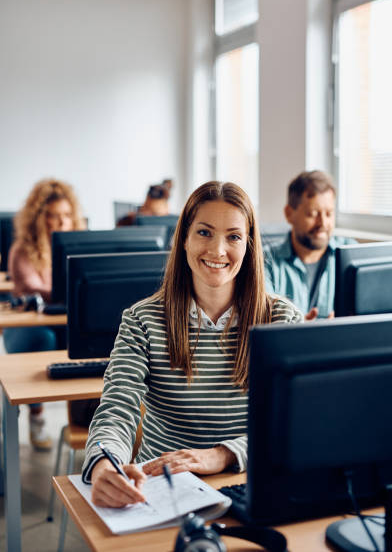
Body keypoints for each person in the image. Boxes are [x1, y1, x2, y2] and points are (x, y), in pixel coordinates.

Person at [82, 181, 303, 507]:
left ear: (249, 246)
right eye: (204, 232)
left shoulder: (282, 320)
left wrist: (222, 455)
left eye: (233, 236)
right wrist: (104, 464)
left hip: (249, 484)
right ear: (183, 238)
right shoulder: (141, 320)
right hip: (160, 489)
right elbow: (117, 410)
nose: (217, 250)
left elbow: (292, 425)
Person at [4, 178, 84, 450]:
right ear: (39, 218)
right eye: (53, 216)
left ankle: (86, 418)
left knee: (85, 342)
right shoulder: (22, 250)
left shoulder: (81, 248)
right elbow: (33, 289)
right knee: (45, 338)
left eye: (66, 215)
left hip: (66, 321)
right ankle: (36, 415)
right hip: (28, 328)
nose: (61, 223)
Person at [264, 170, 356, 320]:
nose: (323, 223)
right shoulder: (266, 261)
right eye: (313, 214)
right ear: (289, 214)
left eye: (329, 214)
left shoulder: (351, 253)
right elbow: (263, 320)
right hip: (290, 343)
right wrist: (299, 328)